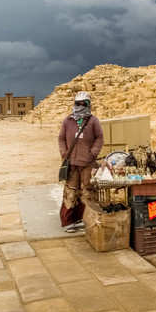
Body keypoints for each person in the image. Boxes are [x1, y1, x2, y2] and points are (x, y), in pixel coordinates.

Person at [57, 91, 103, 231]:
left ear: (89, 104)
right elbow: (61, 138)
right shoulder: (68, 120)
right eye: (78, 103)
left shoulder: (93, 121)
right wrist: (64, 153)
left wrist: (93, 153)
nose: (81, 106)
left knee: (87, 191)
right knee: (71, 191)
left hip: (87, 163)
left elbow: (99, 138)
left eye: (84, 104)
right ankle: (68, 221)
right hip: (71, 163)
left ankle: (83, 219)